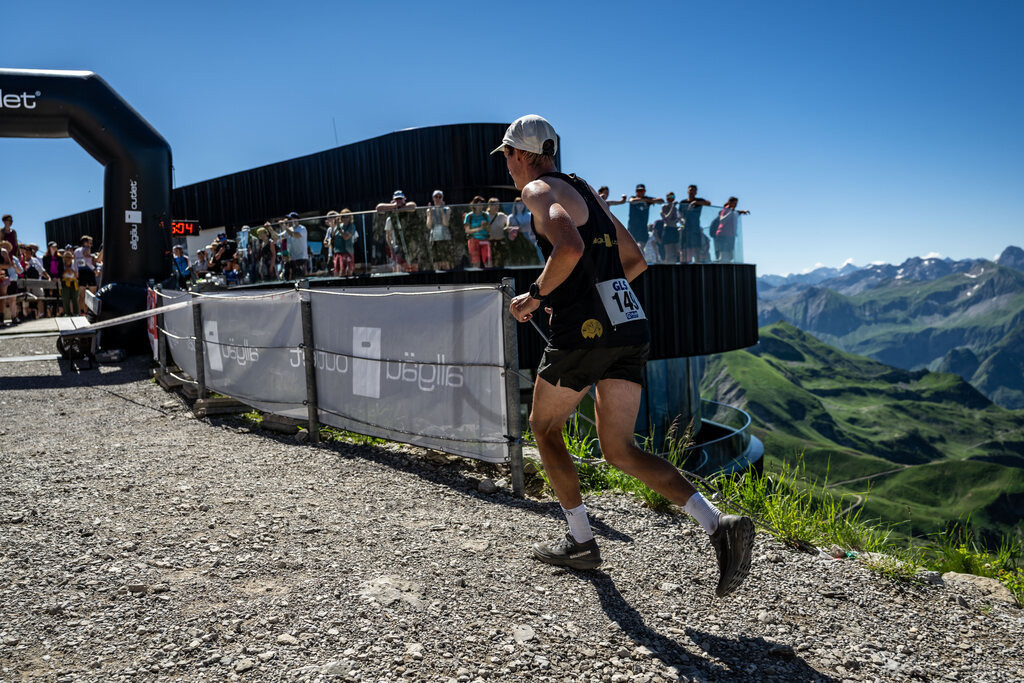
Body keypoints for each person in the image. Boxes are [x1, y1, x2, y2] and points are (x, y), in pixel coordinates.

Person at [498, 114, 754, 597]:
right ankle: (718, 523)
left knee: (544, 429)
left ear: (524, 155)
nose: (508, 166)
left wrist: (536, 296)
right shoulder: (586, 190)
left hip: (584, 334)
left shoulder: (537, 190)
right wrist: (586, 298)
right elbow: (635, 260)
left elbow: (569, 248)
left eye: (508, 155)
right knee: (619, 449)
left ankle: (581, 542)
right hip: (629, 325)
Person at [680, 185, 711, 264]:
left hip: (695, 228)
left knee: (696, 248)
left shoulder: (699, 201)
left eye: (693, 190)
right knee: (684, 249)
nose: (691, 192)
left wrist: (696, 202)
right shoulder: (683, 202)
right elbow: (680, 215)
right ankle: (683, 265)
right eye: (690, 190)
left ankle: (697, 264)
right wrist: (683, 221)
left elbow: (708, 203)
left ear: (696, 192)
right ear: (687, 191)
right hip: (686, 229)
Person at [627, 184, 662, 253]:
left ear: (644, 191)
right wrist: (646, 200)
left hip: (643, 228)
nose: (640, 192)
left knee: (640, 247)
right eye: (638, 190)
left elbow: (661, 201)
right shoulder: (633, 198)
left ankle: (640, 261)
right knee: (634, 247)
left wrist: (648, 200)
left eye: (642, 190)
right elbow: (631, 201)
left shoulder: (648, 199)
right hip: (633, 228)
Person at [508, 196, 542, 264]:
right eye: (518, 204)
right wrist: (521, 227)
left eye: (522, 204)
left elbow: (527, 227)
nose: (520, 205)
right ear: (515, 205)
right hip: (516, 242)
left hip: (528, 240)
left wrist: (515, 227)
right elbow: (508, 228)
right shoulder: (511, 217)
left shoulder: (529, 215)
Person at [713, 197, 748, 263]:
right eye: (734, 203)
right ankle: (721, 266)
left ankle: (726, 266)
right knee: (723, 254)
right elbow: (722, 220)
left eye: (736, 203)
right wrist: (730, 212)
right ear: (729, 202)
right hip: (723, 234)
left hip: (730, 235)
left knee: (730, 255)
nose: (735, 205)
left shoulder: (732, 211)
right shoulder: (725, 210)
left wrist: (742, 211)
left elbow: (735, 213)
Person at [425, 190, 452, 271]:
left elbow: (446, 223)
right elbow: (429, 226)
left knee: (445, 261)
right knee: (436, 262)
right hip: (434, 237)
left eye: (440, 197)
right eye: (436, 197)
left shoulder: (447, 209)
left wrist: (442, 210)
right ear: (433, 198)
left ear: (442, 198)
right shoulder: (430, 210)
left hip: (444, 237)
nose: (438, 199)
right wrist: (429, 214)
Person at [463, 196, 491, 268]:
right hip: (473, 241)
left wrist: (485, 227)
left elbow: (489, 230)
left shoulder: (485, 215)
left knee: (487, 262)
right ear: (474, 205)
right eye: (478, 204)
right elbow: (467, 230)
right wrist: (480, 228)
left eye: (481, 204)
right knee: (476, 263)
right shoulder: (469, 216)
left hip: (484, 240)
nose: (480, 206)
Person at [73, 235, 97, 313]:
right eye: (90, 243)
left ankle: (81, 311)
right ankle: (90, 311)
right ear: (85, 242)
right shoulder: (87, 249)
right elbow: (86, 261)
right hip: (89, 272)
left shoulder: (76, 250)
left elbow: (75, 263)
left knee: (81, 294)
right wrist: (94, 269)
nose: (91, 245)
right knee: (93, 292)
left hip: (81, 273)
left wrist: (76, 272)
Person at [282, 212, 309, 279]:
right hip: (291, 258)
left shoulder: (302, 228)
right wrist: (270, 228)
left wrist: (285, 227)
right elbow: (278, 237)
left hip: (301, 258)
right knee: (292, 278)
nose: (288, 220)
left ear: (295, 219)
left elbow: (295, 235)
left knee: (300, 278)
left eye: (290, 218)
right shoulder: (289, 229)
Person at [486, 198, 510, 267]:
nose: (497, 207)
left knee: (500, 264)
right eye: (495, 205)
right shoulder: (485, 215)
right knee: (489, 264)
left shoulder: (501, 215)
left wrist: (507, 226)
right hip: (489, 243)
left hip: (500, 243)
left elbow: (508, 220)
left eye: (498, 205)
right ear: (489, 206)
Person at [659, 192, 681, 264]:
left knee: (676, 251)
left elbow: (678, 219)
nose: (671, 198)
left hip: (675, 230)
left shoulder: (675, 209)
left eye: (672, 196)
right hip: (668, 230)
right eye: (669, 197)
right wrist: (672, 207)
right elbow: (667, 218)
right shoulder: (664, 207)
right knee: (668, 253)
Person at [42, 242, 62, 317]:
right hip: (48, 278)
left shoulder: (59, 258)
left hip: (57, 278)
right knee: (47, 295)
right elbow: (45, 268)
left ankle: (54, 313)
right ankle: (46, 313)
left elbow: (61, 269)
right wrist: (50, 277)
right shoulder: (45, 257)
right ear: (49, 248)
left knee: (56, 295)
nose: (54, 248)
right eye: (52, 247)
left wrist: (57, 278)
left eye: (55, 247)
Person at [60, 250, 79, 316]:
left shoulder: (74, 263)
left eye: (69, 257)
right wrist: (65, 271)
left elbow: (77, 275)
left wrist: (71, 270)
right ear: (64, 258)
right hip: (65, 282)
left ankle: (76, 313)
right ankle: (67, 313)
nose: (68, 259)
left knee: (75, 298)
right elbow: (60, 274)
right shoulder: (61, 264)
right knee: (66, 299)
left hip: (74, 282)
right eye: (66, 257)